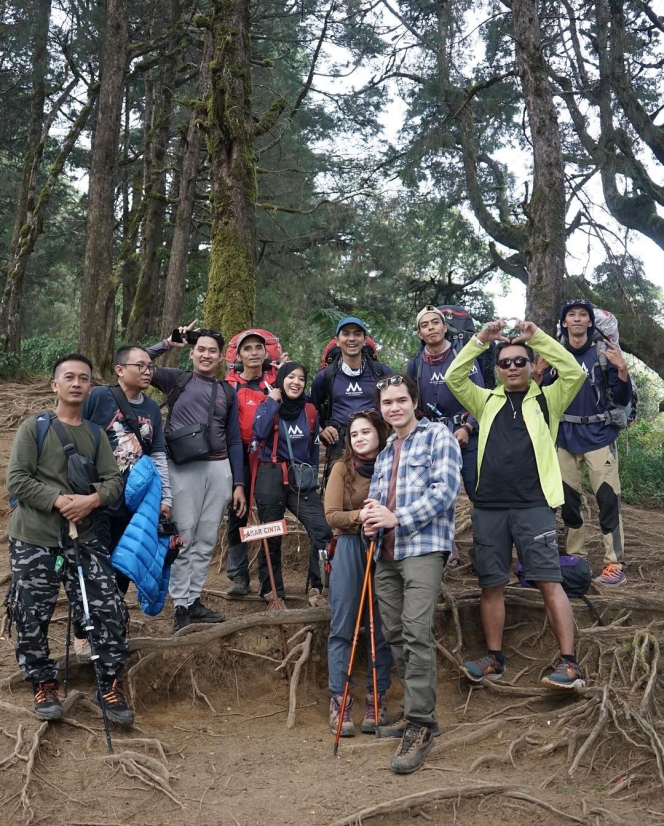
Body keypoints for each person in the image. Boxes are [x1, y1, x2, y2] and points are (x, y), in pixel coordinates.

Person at [445, 319, 587, 691]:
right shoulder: (485, 399)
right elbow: (454, 378)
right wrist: (480, 340)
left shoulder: (547, 398)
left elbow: (573, 371)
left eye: (519, 361)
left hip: (534, 505)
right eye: (505, 362)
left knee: (548, 580)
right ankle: (494, 659)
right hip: (488, 506)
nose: (512, 367)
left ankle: (570, 665)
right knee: (491, 583)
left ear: (530, 365)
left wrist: (537, 338)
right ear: (496, 370)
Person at [6, 353, 133, 724]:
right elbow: (17, 479)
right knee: (31, 612)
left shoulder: (95, 434)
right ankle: (42, 682)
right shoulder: (35, 427)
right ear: (55, 385)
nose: (77, 383)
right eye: (69, 377)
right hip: (34, 539)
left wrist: (92, 499)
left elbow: (114, 482)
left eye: (84, 378)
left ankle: (109, 681)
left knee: (106, 606)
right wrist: (60, 500)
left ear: (90, 386)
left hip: (85, 538)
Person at [362, 373, 461, 775]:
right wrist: (370, 519)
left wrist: (395, 516)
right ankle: (416, 713)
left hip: (422, 549)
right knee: (396, 633)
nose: (394, 408)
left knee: (416, 630)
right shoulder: (385, 450)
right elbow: (377, 499)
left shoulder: (439, 436)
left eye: (401, 400)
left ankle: (420, 725)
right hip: (385, 553)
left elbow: (446, 491)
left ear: (414, 401)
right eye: (388, 403)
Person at [75, 344, 173, 659]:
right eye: (140, 366)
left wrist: (165, 499)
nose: (147, 371)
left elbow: (158, 455)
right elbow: (75, 435)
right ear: (120, 369)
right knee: (94, 567)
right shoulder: (100, 397)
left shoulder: (153, 410)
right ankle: (83, 633)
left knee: (122, 566)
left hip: (134, 504)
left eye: (150, 367)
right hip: (98, 498)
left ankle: (110, 627)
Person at [147, 326, 246, 633]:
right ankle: (179, 606)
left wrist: (238, 483)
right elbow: (137, 365)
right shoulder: (176, 379)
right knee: (184, 537)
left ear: (220, 357)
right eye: (200, 349)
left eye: (212, 351)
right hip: (182, 468)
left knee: (205, 540)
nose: (206, 355)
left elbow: (234, 439)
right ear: (191, 353)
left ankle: (193, 602)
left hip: (218, 470)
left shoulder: (227, 392)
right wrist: (166, 343)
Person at [539, 299, 631, 586]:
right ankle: (575, 558)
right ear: (564, 323)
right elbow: (540, 400)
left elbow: (623, 398)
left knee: (607, 500)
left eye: (582, 315)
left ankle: (614, 563)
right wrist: (539, 374)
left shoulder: (604, 354)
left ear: (590, 322)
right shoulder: (555, 354)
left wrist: (623, 371)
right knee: (568, 502)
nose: (577, 319)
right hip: (565, 437)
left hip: (600, 436)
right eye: (571, 315)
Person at [324, 409, 393, 737]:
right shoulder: (342, 468)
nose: (360, 438)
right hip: (350, 546)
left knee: (382, 623)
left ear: (380, 432)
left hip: (386, 546)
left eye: (366, 431)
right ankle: (340, 701)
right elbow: (332, 515)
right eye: (354, 434)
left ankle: (377, 699)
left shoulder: (393, 464)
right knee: (344, 623)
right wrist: (360, 516)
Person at [406, 304, 485, 565]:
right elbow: (411, 402)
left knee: (477, 492)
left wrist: (468, 427)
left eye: (435, 323)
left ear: (444, 326)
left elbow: (480, 397)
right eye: (425, 325)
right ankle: (446, 547)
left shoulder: (463, 357)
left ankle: (483, 546)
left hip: (467, 433)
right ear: (419, 333)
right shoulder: (415, 364)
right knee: (438, 490)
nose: (431, 328)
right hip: (434, 436)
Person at [252, 361, 331, 609]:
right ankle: (272, 592)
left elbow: (313, 445)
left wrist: (310, 474)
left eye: (301, 378)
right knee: (271, 535)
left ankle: (318, 586)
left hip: (301, 479)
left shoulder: (309, 409)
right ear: (281, 379)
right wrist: (272, 402)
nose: (296, 382)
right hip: (270, 475)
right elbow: (258, 431)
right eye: (291, 377)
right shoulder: (268, 404)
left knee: (322, 531)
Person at [224, 331, 276, 596]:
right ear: (239, 355)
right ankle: (239, 575)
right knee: (238, 513)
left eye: (259, 347)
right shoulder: (229, 384)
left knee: (269, 513)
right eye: (248, 349)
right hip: (237, 455)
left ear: (266, 353)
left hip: (268, 455)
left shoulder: (275, 382)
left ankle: (269, 579)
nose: (254, 352)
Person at [310, 317, 392, 481]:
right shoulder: (326, 376)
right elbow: (310, 408)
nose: (352, 338)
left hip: (376, 444)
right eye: (346, 334)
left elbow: (396, 400)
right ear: (337, 341)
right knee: (341, 491)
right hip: (340, 444)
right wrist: (321, 430)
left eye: (357, 334)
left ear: (364, 340)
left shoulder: (380, 371)